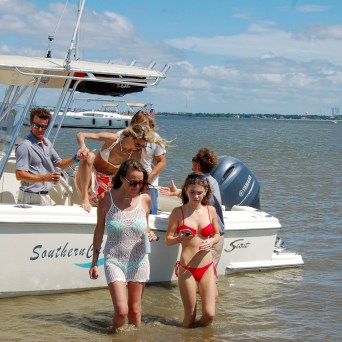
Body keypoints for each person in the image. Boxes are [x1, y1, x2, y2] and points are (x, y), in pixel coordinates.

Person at [89, 159, 158, 331]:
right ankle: (115, 336)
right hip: (114, 259)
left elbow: (145, 225)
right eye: (133, 182)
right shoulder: (106, 199)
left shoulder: (146, 200)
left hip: (139, 260)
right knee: (121, 311)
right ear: (122, 178)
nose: (137, 186)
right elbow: (99, 230)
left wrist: (150, 233)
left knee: (134, 311)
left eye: (141, 182)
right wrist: (94, 262)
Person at [165, 173, 220, 328]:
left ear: (205, 192)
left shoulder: (211, 211)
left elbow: (217, 234)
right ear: (185, 191)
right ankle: (189, 336)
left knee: (209, 315)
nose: (196, 196)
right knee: (189, 317)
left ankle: (198, 336)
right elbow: (167, 240)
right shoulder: (178, 212)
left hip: (207, 267)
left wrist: (211, 241)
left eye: (199, 193)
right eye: (192, 192)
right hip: (187, 268)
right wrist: (178, 239)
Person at [160, 147, 225, 268]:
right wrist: (177, 193)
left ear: (197, 164)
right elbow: (197, 199)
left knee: (208, 276)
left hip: (211, 237)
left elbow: (200, 203)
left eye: (193, 159)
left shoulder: (206, 183)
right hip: (207, 236)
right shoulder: (211, 181)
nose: (196, 195)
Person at [75, 124, 163, 213]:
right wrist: (83, 147)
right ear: (130, 137)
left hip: (108, 182)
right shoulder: (113, 139)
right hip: (89, 176)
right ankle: (84, 198)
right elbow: (81, 134)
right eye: (137, 144)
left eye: (142, 146)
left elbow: (131, 176)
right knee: (89, 156)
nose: (139, 148)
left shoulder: (135, 155)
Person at [15, 107, 82, 205]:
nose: (40, 129)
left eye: (44, 127)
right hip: (30, 197)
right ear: (30, 124)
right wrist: (45, 178)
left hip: (44, 196)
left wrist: (76, 158)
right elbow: (19, 175)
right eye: (36, 126)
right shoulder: (25, 146)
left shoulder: (47, 143)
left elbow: (59, 164)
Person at [119, 110, 167, 214]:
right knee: (124, 211)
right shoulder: (123, 135)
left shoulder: (155, 138)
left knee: (149, 212)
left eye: (146, 125)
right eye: (139, 124)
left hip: (149, 181)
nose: (144, 128)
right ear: (133, 124)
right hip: (127, 180)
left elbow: (162, 162)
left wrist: (148, 180)